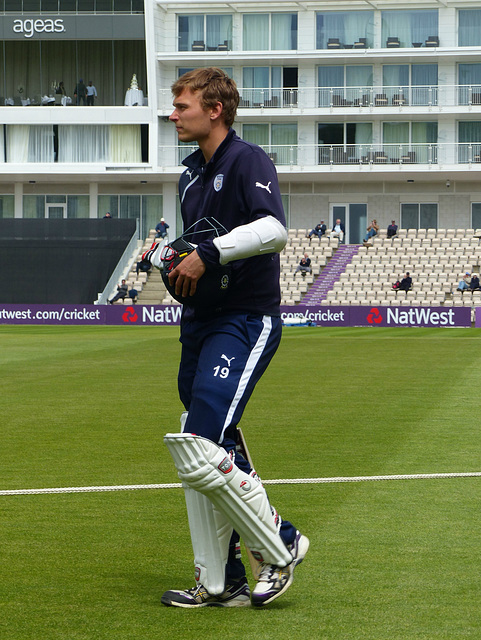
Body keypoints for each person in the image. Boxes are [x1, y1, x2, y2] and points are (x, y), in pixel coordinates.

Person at [155, 67, 308, 609]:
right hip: (200, 322)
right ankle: (221, 580)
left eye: (182, 105)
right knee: (201, 444)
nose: (172, 114)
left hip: (245, 319)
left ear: (214, 109)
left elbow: (274, 230)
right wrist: (175, 260)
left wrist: (207, 256)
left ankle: (282, 543)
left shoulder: (249, 160)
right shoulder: (188, 176)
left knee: (199, 442)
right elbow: (201, 245)